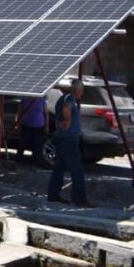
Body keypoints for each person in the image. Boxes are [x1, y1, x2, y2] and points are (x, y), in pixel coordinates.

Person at [47, 79, 93, 207]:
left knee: (59, 168)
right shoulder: (69, 98)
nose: (82, 94)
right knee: (77, 169)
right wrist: (67, 121)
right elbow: (67, 108)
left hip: (62, 139)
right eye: (82, 91)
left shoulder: (64, 98)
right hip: (69, 140)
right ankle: (79, 199)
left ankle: (53, 194)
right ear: (77, 90)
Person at [16, 95, 48, 164]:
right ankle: (19, 160)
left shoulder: (41, 100)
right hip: (26, 126)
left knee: (37, 145)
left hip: (39, 127)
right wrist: (18, 125)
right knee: (22, 144)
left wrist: (46, 126)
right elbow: (19, 113)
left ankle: (35, 162)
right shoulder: (24, 100)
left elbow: (45, 114)